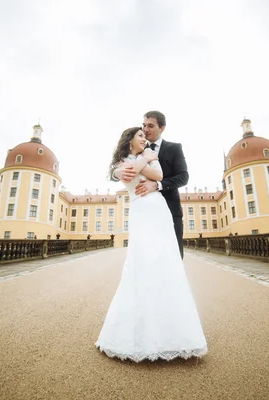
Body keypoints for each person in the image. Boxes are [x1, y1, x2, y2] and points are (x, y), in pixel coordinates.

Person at [95, 126, 207, 362]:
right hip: (142, 212)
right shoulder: (120, 165)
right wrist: (143, 159)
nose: (145, 139)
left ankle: (174, 333)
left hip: (160, 212)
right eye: (140, 136)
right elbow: (125, 174)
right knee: (142, 264)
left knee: (166, 264)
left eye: (146, 136)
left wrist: (143, 161)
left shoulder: (149, 157)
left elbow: (158, 177)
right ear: (129, 142)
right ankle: (141, 334)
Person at [113, 111, 188, 258]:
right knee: (146, 255)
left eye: (150, 126)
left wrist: (157, 185)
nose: (146, 130)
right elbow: (117, 167)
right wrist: (116, 173)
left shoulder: (174, 148)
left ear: (162, 128)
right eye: (144, 126)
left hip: (170, 210)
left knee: (173, 256)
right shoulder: (137, 150)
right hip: (143, 210)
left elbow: (183, 177)